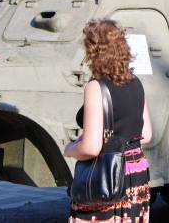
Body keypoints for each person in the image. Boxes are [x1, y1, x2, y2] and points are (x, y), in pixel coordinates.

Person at [64, 19, 153, 223]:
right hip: (136, 173)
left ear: (93, 51)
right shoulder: (136, 82)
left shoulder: (96, 87)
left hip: (109, 174)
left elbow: (91, 148)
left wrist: (70, 149)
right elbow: (146, 134)